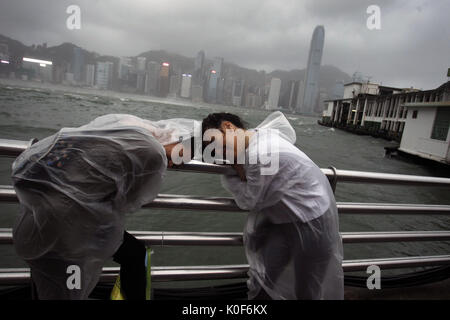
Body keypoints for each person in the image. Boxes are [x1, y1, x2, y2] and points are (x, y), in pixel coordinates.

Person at [11, 114, 198, 299]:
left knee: (52, 279)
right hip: (70, 230)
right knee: (67, 287)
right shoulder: (153, 152)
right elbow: (131, 201)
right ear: (176, 138)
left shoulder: (124, 127)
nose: (173, 163)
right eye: (180, 156)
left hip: (43, 215)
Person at [201, 111, 344, 300]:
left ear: (228, 127)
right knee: (265, 278)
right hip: (287, 219)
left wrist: (230, 174)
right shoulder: (259, 135)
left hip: (313, 222)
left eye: (218, 147)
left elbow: (248, 200)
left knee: (307, 290)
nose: (222, 155)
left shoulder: (260, 154)